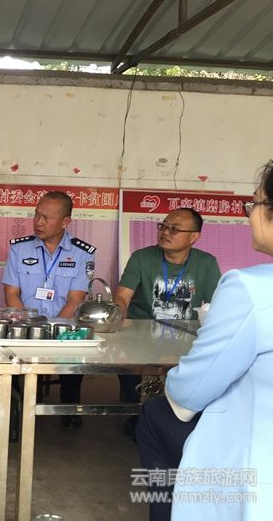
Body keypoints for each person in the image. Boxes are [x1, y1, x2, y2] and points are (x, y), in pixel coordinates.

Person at [136, 162, 273, 520]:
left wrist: (172, 382)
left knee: (155, 413)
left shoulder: (250, 288)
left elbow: (189, 394)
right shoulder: (142, 258)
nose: (250, 214)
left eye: (254, 203)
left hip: (254, 458)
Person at [114, 208, 221, 436]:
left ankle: (175, 418)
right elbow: (122, 297)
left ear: (194, 237)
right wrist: (118, 315)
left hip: (186, 339)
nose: (165, 232)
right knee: (128, 369)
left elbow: (217, 306)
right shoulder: (142, 257)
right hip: (141, 337)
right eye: (163, 226)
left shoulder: (206, 263)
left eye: (174, 229)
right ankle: (138, 414)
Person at [2, 191, 95, 429]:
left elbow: (76, 299)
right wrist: (29, 325)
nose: (38, 222)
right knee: (13, 358)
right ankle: (17, 407)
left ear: (65, 222)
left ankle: (69, 405)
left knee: (75, 352)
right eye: (36, 215)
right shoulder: (19, 249)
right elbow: (11, 293)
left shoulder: (82, 253)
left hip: (63, 326)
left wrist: (52, 330)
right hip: (25, 324)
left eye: (46, 218)